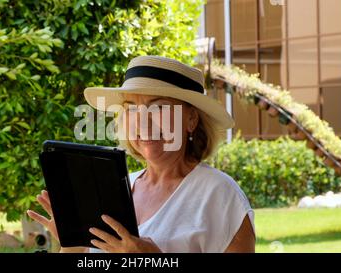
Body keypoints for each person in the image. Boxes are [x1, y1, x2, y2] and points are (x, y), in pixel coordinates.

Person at [27, 55, 255, 253]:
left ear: (191, 119)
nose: (143, 121)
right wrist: (72, 242)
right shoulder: (113, 189)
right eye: (132, 108)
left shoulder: (221, 196)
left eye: (159, 108)